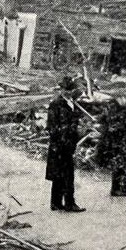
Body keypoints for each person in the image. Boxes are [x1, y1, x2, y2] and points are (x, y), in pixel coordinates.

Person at [45, 74, 86, 213]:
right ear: (60, 89)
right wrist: (63, 139)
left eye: (70, 90)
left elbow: (74, 122)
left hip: (68, 144)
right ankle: (68, 203)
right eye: (65, 89)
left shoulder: (72, 103)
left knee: (61, 174)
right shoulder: (56, 103)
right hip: (60, 145)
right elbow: (51, 126)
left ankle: (56, 203)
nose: (67, 92)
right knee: (66, 175)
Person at [101, 91, 126, 197]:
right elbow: (107, 121)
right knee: (118, 164)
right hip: (116, 139)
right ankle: (116, 189)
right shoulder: (111, 104)